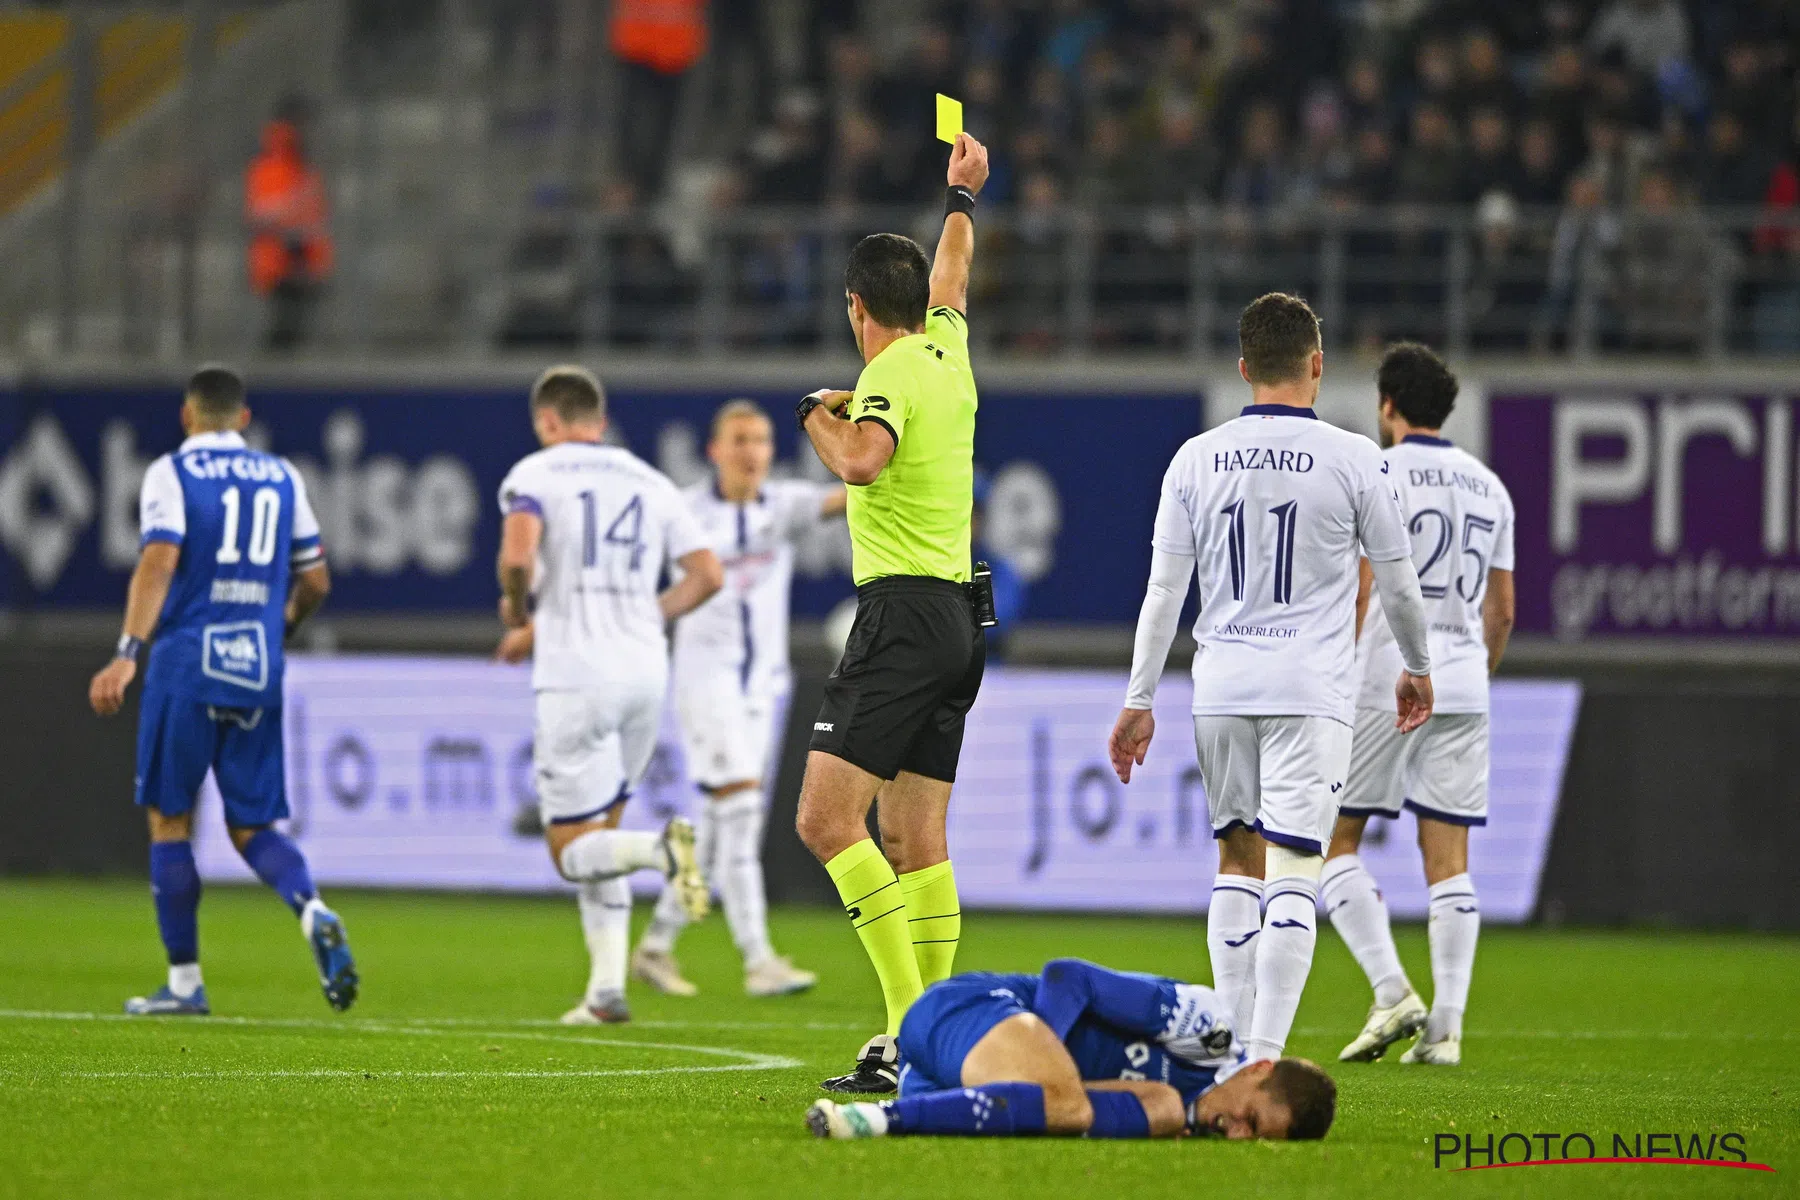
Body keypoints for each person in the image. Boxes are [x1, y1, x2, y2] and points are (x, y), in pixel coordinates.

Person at [1107, 293, 1436, 1064]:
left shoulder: (1195, 457)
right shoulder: (1357, 458)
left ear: (1245, 366)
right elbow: (1399, 585)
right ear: (1317, 366)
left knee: (1233, 862)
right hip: (1309, 692)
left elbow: (1162, 594)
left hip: (1220, 687)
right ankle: (1260, 1059)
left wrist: (1139, 698)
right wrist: (1418, 667)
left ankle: (1230, 1058)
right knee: (1294, 866)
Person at [793, 132, 990, 1093]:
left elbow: (862, 462)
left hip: (903, 615)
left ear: (857, 308)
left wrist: (818, 418)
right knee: (917, 839)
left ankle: (909, 1030)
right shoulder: (948, 350)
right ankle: (932, 1037)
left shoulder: (887, 377)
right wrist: (961, 197)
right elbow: (952, 276)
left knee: (826, 821)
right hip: (959, 618)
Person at [88, 365, 353, 1016]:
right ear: (243, 417)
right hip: (256, 666)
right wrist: (280, 625)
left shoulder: (170, 474)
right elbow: (315, 580)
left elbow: (159, 560)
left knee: (170, 820)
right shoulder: (283, 476)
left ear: (188, 415)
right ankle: (312, 907)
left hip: (187, 665)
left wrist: (126, 653)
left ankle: (184, 985)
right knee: (254, 824)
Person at [495, 365, 722, 1025]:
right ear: (599, 418)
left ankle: (662, 852)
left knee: (572, 850)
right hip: (647, 673)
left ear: (548, 421)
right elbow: (706, 575)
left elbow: (517, 558)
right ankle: (604, 993)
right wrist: (650, 614)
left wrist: (516, 608)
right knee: (602, 833)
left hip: (576, 676)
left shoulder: (533, 475)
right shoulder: (650, 481)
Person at [1327, 344, 1515, 1067]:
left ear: (1388, 405)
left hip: (1387, 677)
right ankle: (1446, 1031)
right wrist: (1475, 674)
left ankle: (1389, 990)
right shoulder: (1490, 488)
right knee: (1451, 861)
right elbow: (1501, 611)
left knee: (1330, 842)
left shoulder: (1377, 470)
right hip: (1465, 681)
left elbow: (1366, 586)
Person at [630, 399, 846, 998]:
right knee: (742, 815)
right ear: (714, 450)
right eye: (740, 439)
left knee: (720, 829)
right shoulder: (686, 514)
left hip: (763, 689)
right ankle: (759, 959)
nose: (752, 451)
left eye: (761, 440)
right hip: (705, 683)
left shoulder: (783, 505)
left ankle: (655, 945)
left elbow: (854, 489)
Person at [806, 958, 1336, 1141]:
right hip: (966, 1008)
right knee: (1071, 1104)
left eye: (1255, 1136)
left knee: (1161, 1109)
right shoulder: (1207, 1032)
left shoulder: (1181, 1111)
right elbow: (1068, 976)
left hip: (944, 1073)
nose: (1236, 1132)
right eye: (1249, 1116)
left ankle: (919, 1098)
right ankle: (878, 1120)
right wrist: (1042, 1058)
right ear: (1258, 1070)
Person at [245, 107, 331, 352]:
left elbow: (313, 215)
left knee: (295, 333)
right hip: (280, 260)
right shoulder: (270, 167)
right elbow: (263, 213)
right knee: (281, 333)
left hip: (301, 258)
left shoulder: (303, 166)